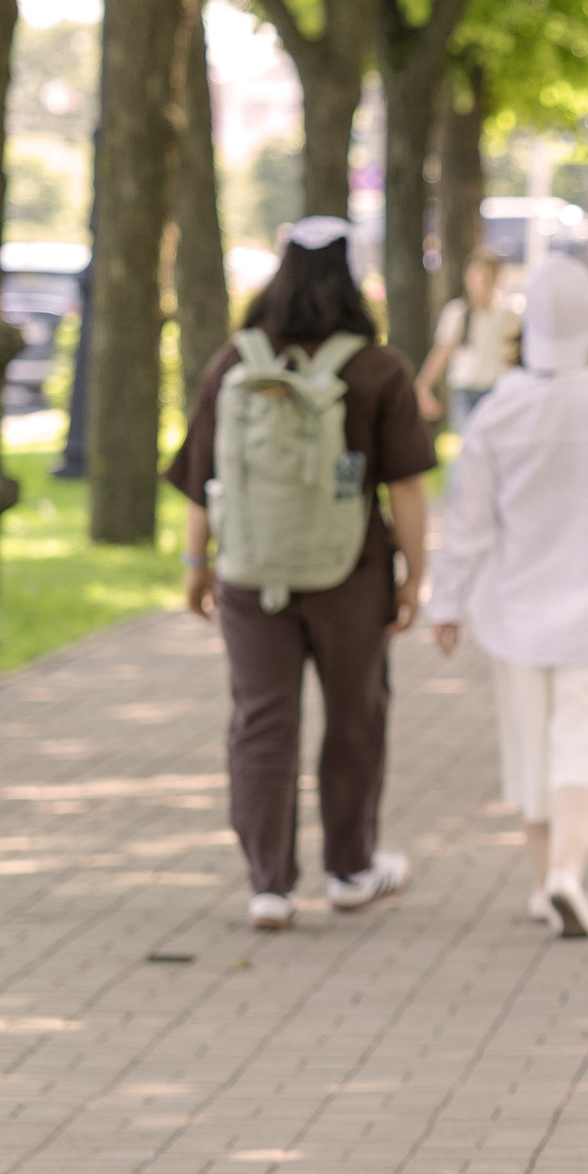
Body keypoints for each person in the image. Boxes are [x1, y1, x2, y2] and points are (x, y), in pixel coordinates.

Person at [170, 217, 434, 931]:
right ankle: (350, 869)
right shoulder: (378, 368)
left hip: (251, 574)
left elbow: (205, 478)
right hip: (352, 574)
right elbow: (406, 486)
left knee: (261, 721)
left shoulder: (233, 363)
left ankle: (269, 885)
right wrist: (414, 573)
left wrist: (198, 565)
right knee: (355, 716)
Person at [426, 252, 588, 940]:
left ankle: (546, 883)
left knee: (532, 750)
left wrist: (447, 603)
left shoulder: (499, 411)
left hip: (516, 610)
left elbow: (468, 522)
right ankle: (567, 874)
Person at [416, 245, 521, 438]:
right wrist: (423, 386)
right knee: (469, 445)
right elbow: (442, 351)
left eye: (487, 277)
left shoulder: (508, 316)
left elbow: (516, 355)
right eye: (477, 276)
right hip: (464, 392)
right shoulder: (456, 313)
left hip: (496, 391)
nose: (481, 283)